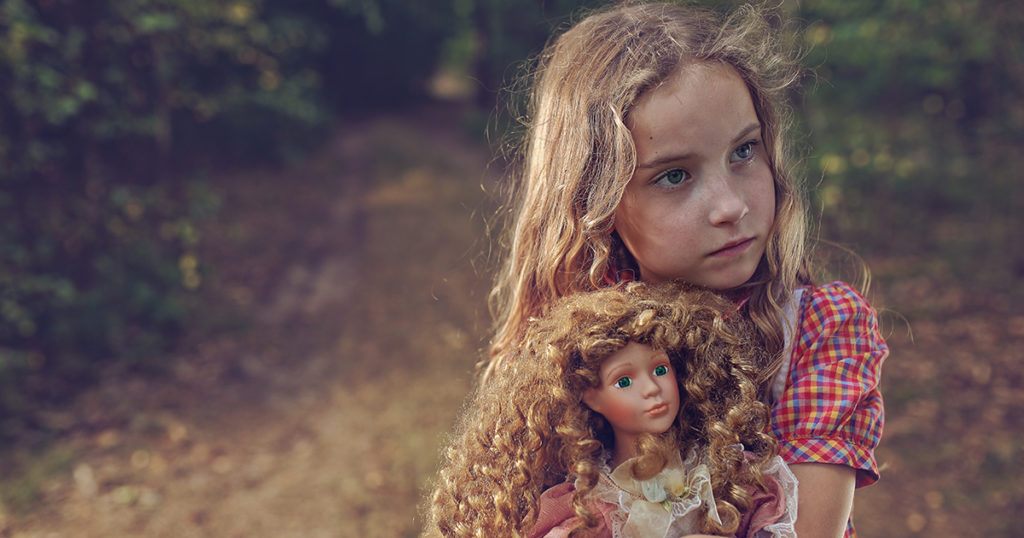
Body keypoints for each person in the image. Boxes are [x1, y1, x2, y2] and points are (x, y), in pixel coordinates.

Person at [483, 3, 888, 537]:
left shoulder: (817, 330)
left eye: (744, 150)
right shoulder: (574, 349)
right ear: (596, 202)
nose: (730, 206)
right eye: (674, 176)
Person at [431, 283, 797, 537]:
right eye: (624, 381)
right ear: (590, 397)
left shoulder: (722, 474)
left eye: (660, 370)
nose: (651, 388)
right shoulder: (591, 506)